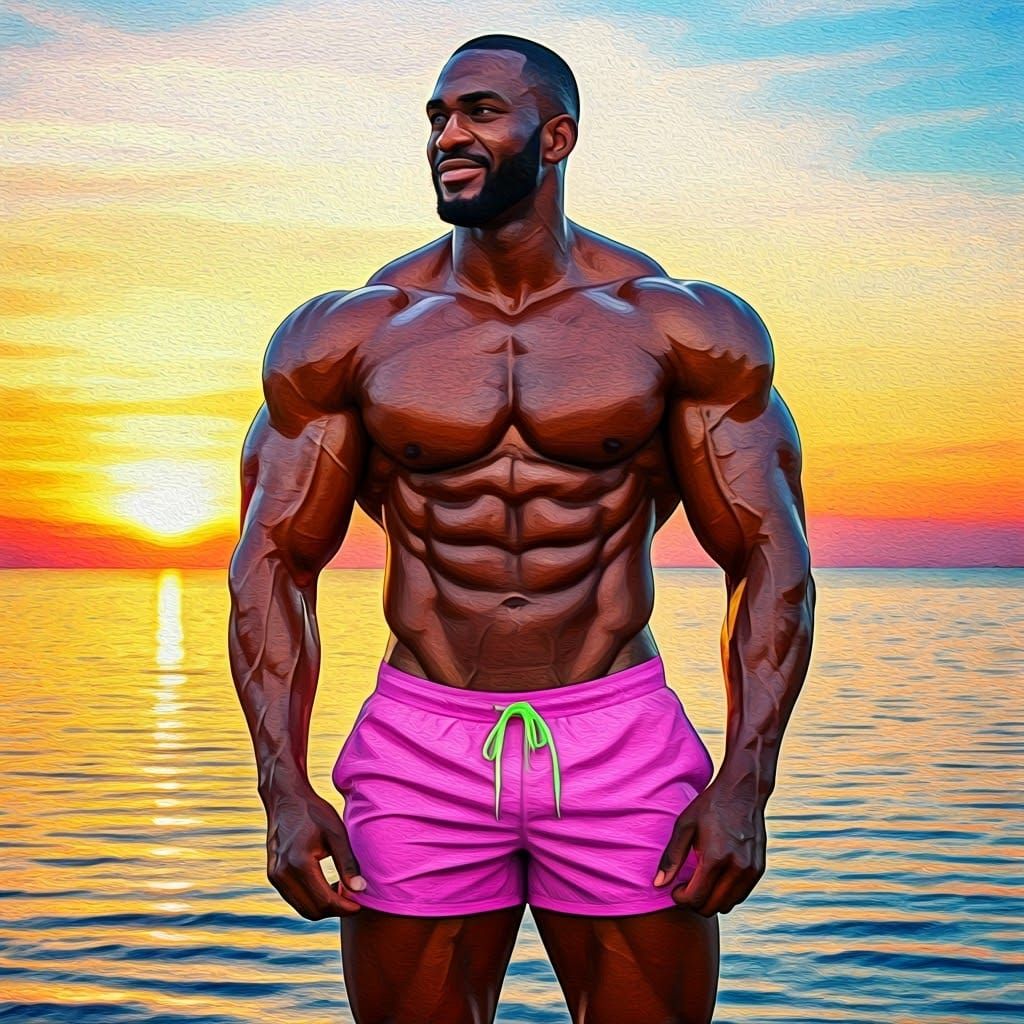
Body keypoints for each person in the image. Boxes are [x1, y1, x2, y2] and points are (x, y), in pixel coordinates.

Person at [228, 32, 816, 1024]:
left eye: (478, 112)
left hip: (616, 732)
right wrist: (281, 787)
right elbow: (272, 563)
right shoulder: (350, 335)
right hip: (422, 740)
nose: (448, 134)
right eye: (436, 117)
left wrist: (743, 784)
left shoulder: (677, 326)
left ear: (556, 137)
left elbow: (768, 557)